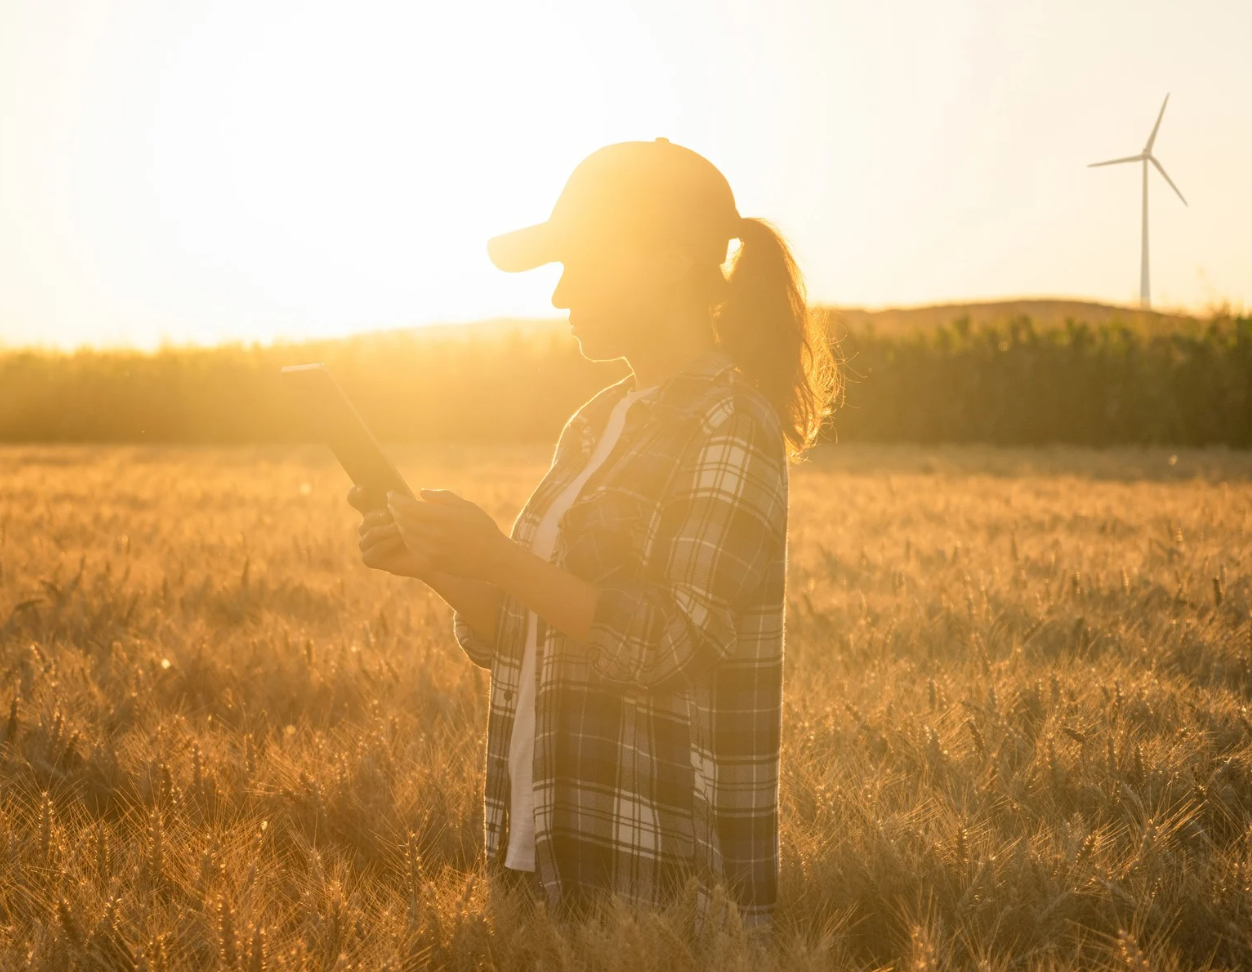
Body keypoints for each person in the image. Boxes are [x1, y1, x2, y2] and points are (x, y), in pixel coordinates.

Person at [349, 138, 838, 930]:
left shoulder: (729, 422)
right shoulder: (597, 422)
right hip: (544, 847)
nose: (559, 295)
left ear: (670, 260)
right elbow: (530, 634)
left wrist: (498, 555)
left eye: (579, 263)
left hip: (665, 886)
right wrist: (441, 566)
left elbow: (668, 645)